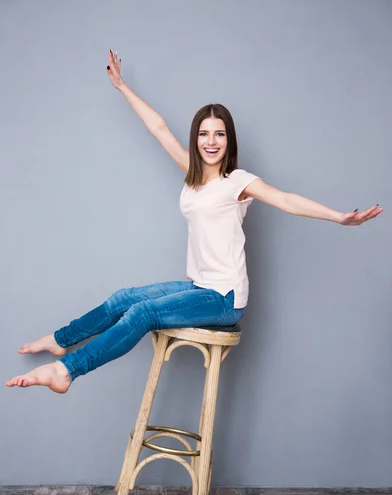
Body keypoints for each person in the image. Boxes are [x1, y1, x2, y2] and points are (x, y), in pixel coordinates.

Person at [6, 50, 383, 394]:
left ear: (228, 139)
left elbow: (284, 198)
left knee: (142, 313)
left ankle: (67, 370)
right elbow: (159, 129)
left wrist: (337, 217)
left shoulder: (237, 182)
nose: (211, 141)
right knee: (124, 298)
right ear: (197, 138)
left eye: (219, 134)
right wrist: (123, 87)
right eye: (204, 134)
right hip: (200, 286)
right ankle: (62, 338)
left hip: (224, 299)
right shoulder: (192, 174)